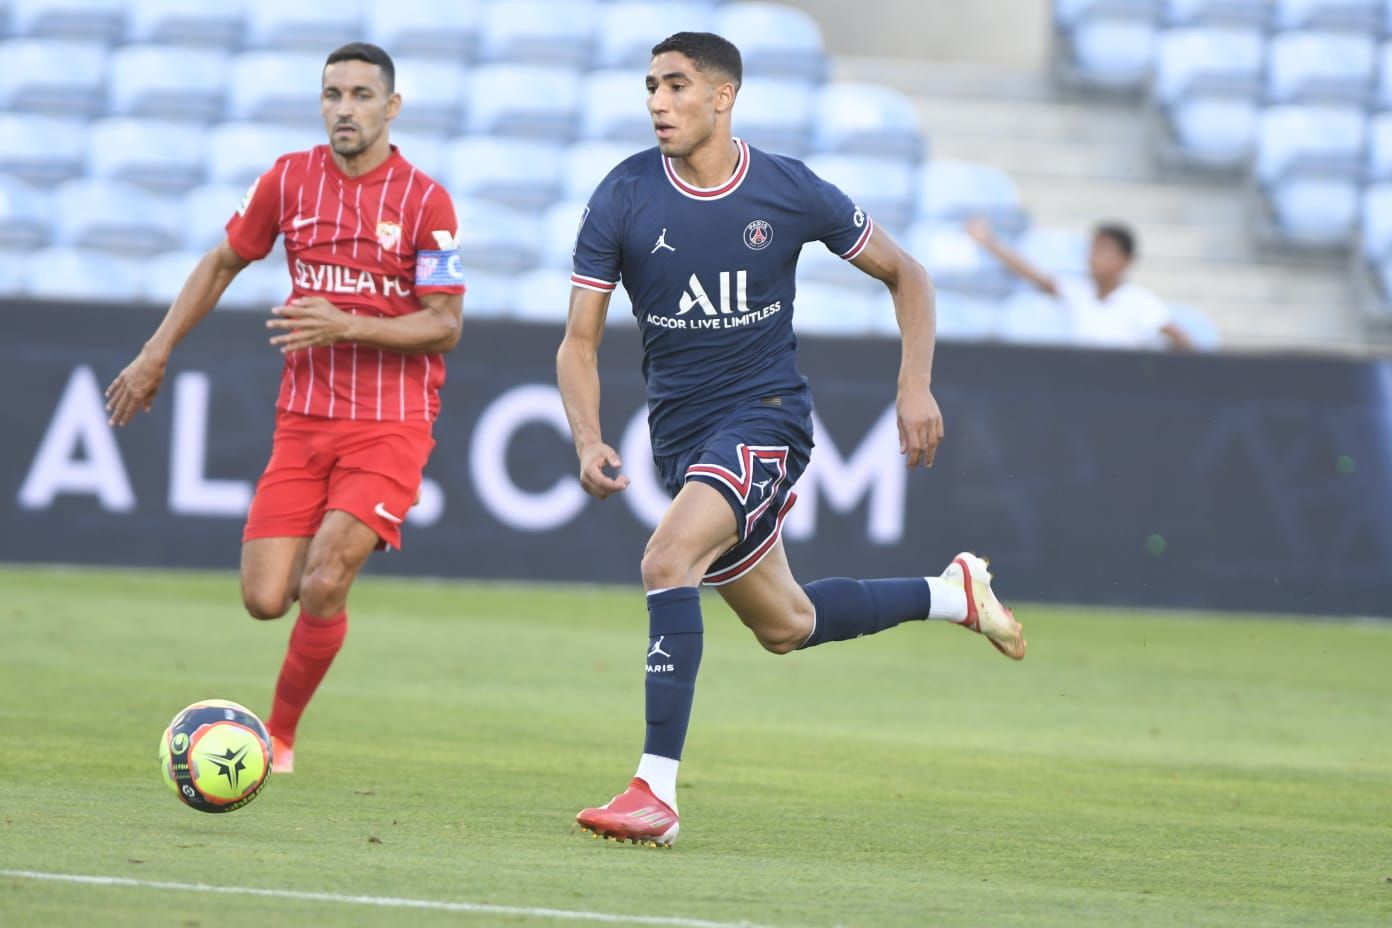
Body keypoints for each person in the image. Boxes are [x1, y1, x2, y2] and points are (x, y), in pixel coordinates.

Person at [557, 32, 1026, 849]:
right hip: (682, 441)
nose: (658, 102)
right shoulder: (622, 196)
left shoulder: (786, 189)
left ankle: (654, 792)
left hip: (765, 418)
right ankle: (953, 594)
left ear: (723, 96)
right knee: (787, 625)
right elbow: (579, 342)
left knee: (668, 561)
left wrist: (914, 385)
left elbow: (908, 274)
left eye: (676, 85)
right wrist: (588, 436)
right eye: (651, 86)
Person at [105, 43, 465, 774]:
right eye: (333, 94)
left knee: (324, 578)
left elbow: (445, 325)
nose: (345, 109)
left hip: (391, 423)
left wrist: (346, 324)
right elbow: (221, 263)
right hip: (304, 420)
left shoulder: (426, 201)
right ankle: (296, 676)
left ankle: (280, 738)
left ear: (392, 107)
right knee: (267, 598)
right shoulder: (289, 179)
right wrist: (155, 352)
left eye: (362, 95)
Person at [966, 218, 1194, 350]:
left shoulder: (1140, 301)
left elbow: (1182, 341)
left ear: (1124, 260)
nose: (1093, 256)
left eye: (1104, 249)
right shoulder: (1076, 291)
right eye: (1093, 248)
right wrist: (988, 242)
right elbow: (1032, 274)